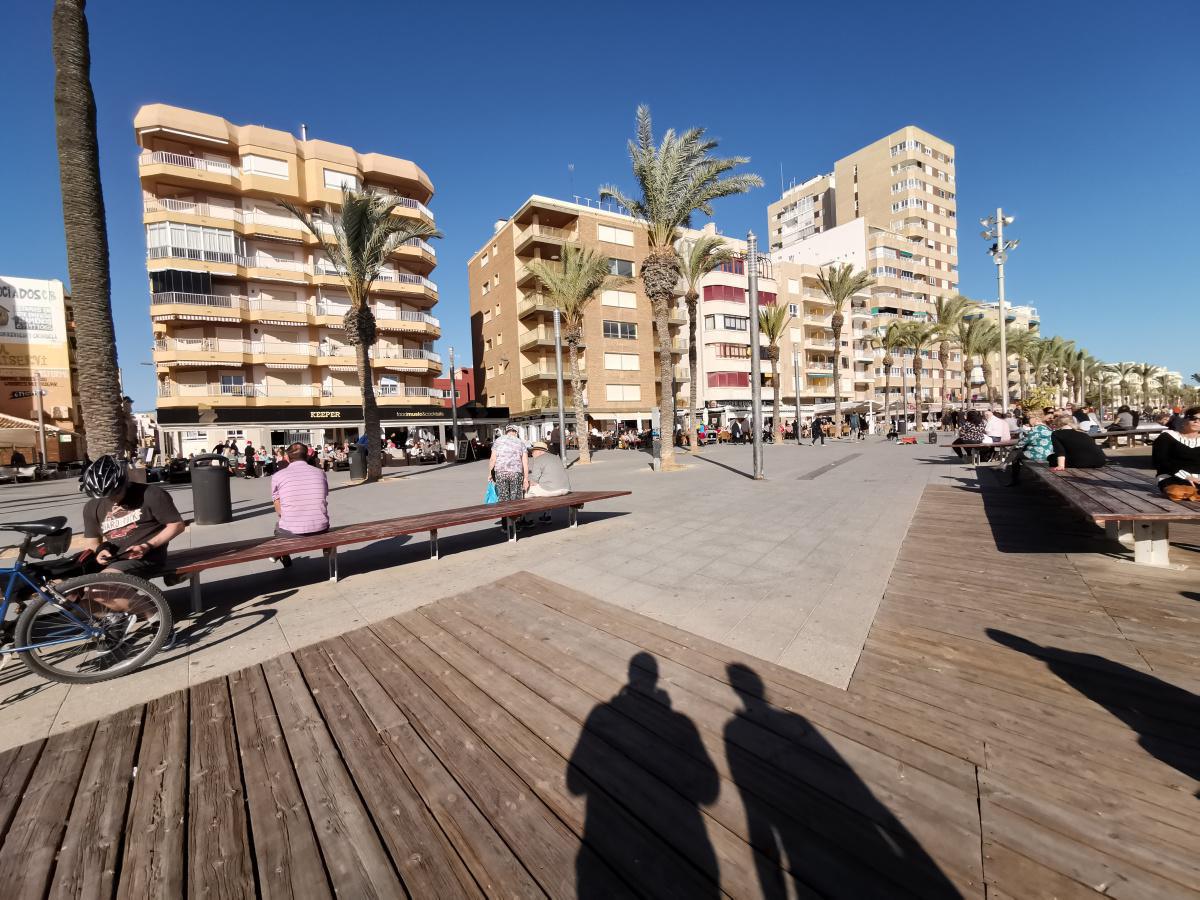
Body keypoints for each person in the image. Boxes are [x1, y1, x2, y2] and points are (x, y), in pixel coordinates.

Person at [80, 455, 186, 579]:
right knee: (63, 584)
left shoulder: (151, 494)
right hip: (112, 558)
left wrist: (147, 546)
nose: (111, 498)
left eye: (115, 493)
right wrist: (100, 551)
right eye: (104, 496)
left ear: (124, 482)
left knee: (104, 586)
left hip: (146, 556)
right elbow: (92, 542)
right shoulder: (92, 506)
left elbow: (177, 525)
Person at [270, 442, 331, 567]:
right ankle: (326, 547)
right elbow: (324, 496)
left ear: (287, 458)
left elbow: (279, 510)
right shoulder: (320, 473)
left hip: (292, 533)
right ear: (307, 456)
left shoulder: (278, 476)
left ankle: (282, 553)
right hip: (321, 528)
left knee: (278, 528)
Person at [1151, 406, 1200, 501]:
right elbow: (1159, 462)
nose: (1197, 422)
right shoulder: (1167, 437)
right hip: (1172, 476)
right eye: (1193, 418)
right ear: (1185, 419)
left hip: (1198, 479)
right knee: (1176, 491)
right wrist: (1185, 476)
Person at [488, 424, 529, 526]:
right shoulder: (521, 443)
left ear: (506, 431)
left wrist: (490, 473)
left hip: (501, 473)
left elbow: (493, 459)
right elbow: (525, 462)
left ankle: (506, 526)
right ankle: (516, 525)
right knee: (515, 498)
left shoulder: (498, 441)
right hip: (516, 473)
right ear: (516, 432)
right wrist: (526, 479)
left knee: (503, 498)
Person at [526, 440, 571, 523]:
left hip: (552, 490)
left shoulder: (539, 459)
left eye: (533, 451)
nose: (531, 454)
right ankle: (547, 515)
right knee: (543, 487)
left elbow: (533, 481)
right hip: (565, 489)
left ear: (539, 452)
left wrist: (526, 483)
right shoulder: (555, 457)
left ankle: (527, 520)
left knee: (526, 492)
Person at [1006, 410, 1054, 485]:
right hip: (1048, 454)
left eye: (1029, 418)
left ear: (1035, 418)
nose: (1028, 421)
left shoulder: (1036, 429)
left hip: (1038, 454)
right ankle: (1004, 466)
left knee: (1015, 456)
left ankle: (1014, 480)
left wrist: (1013, 447)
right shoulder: (1047, 428)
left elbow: (1024, 441)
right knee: (1018, 452)